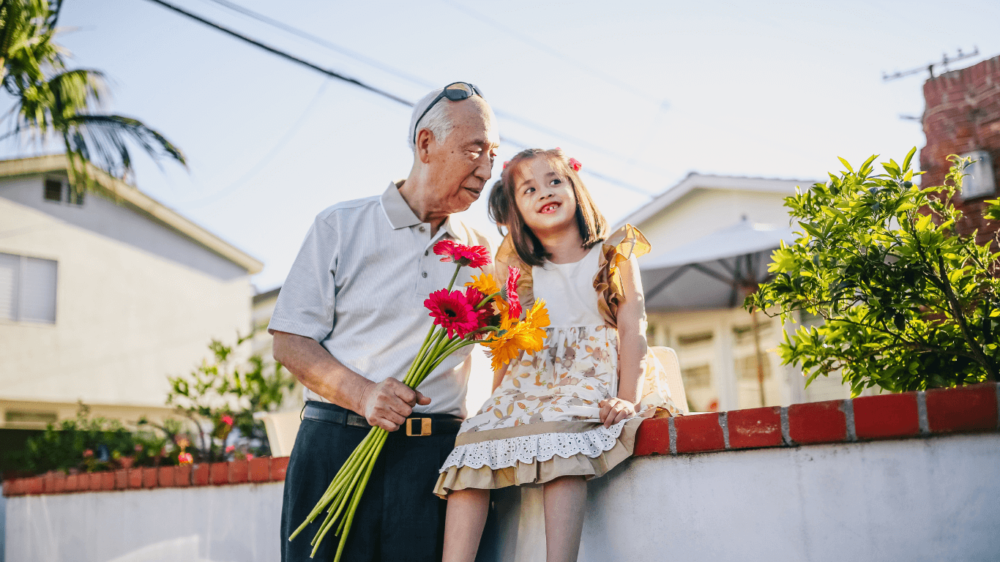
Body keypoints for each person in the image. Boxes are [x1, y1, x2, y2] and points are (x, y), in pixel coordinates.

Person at [269, 82, 500, 562]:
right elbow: (290, 340)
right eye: (474, 150)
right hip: (336, 447)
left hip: (435, 462)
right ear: (425, 144)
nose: (486, 169)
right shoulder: (340, 225)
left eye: (494, 155)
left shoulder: (486, 253)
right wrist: (364, 394)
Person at [435, 148, 683, 562]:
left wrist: (628, 396)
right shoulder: (521, 271)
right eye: (528, 189)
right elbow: (509, 345)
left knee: (562, 437)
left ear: (575, 188)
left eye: (554, 181)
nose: (544, 192)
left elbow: (632, 330)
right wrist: (491, 403)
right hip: (531, 379)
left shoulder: (613, 254)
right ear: (515, 210)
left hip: (592, 373)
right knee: (473, 439)